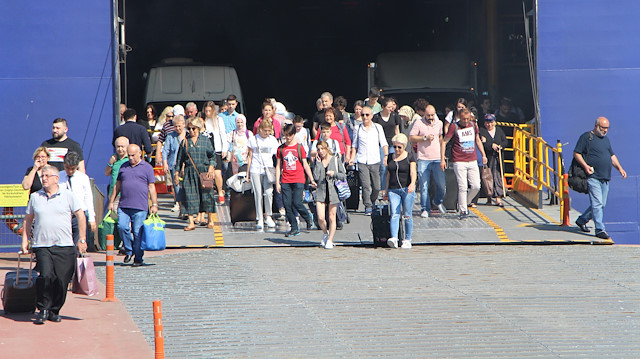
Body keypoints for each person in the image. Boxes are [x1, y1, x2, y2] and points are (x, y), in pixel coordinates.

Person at [21, 165, 87, 324]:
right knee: (46, 276)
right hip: (42, 245)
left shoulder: (68, 195)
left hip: (64, 245)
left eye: (47, 176)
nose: (43, 178)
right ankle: (43, 309)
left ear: (56, 179)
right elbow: (28, 219)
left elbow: (80, 215)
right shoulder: (36, 197)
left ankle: (54, 310)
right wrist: (25, 240)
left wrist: (82, 239)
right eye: (42, 176)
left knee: (61, 280)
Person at [573, 117, 626, 241]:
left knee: (601, 204)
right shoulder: (586, 137)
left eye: (607, 128)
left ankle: (582, 220)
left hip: (605, 178)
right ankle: (599, 229)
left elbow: (612, 156)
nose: (605, 130)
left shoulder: (606, 140)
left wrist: (620, 168)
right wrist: (586, 167)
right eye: (603, 128)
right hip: (593, 176)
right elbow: (576, 153)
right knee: (597, 204)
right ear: (596, 126)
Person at [108, 144, 158, 266]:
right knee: (122, 226)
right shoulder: (124, 166)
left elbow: (151, 187)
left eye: (133, 155)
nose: (130, 158)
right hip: (124, 204)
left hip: (140, 206)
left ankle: (138, 258)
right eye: (129, 155)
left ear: (139, 153)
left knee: (137, 232)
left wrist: (155, 204)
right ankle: (129, 250)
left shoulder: (147, 168)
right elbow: (117, 185)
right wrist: (111, 201)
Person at [440, 108, 487, 219]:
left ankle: (464, 202)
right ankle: (463, 210)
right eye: (463, 119)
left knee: (476, 185)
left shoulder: (473, 125)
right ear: (459, 118)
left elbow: (477, 140)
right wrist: (442, 158)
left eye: (467, 119)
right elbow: (444, 141)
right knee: (463, 186)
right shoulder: (454, 127)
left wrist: (483, 155)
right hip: (459, 160)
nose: (466, 121)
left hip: (472, 159)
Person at [174, 117, 216, 231]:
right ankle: (191, 222)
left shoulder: (205, 140)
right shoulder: (185, 142)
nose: (191, 131)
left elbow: (212, 156)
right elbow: (179, 160)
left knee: (207, 196)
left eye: (194, 129)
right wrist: (176, 174)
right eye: (189, 129)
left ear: (198, 128)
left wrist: (211, 168)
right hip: (189, 172)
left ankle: (210, 219)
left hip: (203, 172)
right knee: (189, 196)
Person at [276, 124, 318, 237]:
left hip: (298, 178)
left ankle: (308, 216)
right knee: (287, 204)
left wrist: (311, 179)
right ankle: (294, 227)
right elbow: (278, 166)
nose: (288, 138)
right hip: (285, 179)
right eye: (286, 136)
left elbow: (305, 164)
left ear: (294, 134)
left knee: (297, 202)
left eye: (290, 135)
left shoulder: (299, 147)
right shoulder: (281, 149)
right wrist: (277, 182)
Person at [349, 106, 389, 215]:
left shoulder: (377, 127)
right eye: (362, 115)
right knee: (366, 185)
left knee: (376, 187)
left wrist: (386, 155)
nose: (365, 117)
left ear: (371, 116)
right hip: (362, 160)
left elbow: (384, 143)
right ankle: (368, 206)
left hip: (375, 160)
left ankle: (372, 201)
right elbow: (354, 145)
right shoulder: (358, 128)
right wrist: (352, 158)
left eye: (367, 115)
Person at [409, 104, 447, 218]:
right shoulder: (418, 123)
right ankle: (425, 208)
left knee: (442, 185)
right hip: (423, 159)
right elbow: (411, 137)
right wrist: (424, 138)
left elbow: (441, 138)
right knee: (424, 186)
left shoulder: (439, 123)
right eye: (428, 115)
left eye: (432, 115)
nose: (430, 117)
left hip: (436, 158)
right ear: (424, 114)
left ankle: (437, 201)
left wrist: (442, 156)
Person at [381, 134, 417, 249]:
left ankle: (407, 238)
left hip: (406, 188)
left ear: (404, 147)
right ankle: (394, 238)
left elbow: (413, 172)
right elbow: (387, 174)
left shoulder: (410, 157)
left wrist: (412, 183)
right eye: (395, 147)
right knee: (395, 214)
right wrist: (385, 190)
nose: (397, 149)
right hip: (393, 189)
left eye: (399, 147)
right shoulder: (391, 157)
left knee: (407, 214)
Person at [246, 120, 279, 230]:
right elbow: (249, 156)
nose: (267, 133)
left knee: (269, 192)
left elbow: (276, 156)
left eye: (269, 131)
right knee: (258, 194)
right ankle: (259, 217)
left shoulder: (273, 140)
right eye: (265, 130)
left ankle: (268, 215)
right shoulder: (253, 139)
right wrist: (248, 173)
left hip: (268, 168)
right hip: (255, 168)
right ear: (260, 129)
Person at [312, 140, 345, 248]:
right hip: (321, 192)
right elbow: (316, 177)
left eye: (322, 149)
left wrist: (333, 173)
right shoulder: (318, 161)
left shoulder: (335, 159)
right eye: (318, 149)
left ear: (327, 149)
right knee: (321, 218)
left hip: (333, 192)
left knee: (332, 217)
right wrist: (317, 163)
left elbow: (343, 175)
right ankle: (325, 233)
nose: (320, 151)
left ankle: (330, 240)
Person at [60, 151, 97, 246]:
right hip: (62, 215)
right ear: (64, 164)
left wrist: (91, 218)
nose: (70, 171)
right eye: (67, 168)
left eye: (73, 168)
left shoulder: (83, 178)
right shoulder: (58, 177)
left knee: (78, 244)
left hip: (78, 216)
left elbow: (88, 197)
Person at [479, 114, 507, 206]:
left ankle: (498, 198)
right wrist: (491, 145)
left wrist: (500, 146)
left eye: (491, 122)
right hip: (488, 158)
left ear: (494, 122)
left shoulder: (499, 130)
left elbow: (505, 141)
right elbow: (483, 143)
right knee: (488, 177)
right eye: (487, 122)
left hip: (498, 157)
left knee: (497, 176)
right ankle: (489, 197)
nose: (489, 125)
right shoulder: (482, 131)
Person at [373, 97, 401, 189]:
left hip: (393, 144)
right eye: (388, 107)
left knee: (393, 165)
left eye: (392, 107)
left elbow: (397, 130)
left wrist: (399, 142)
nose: (391, 109)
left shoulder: (394, 116)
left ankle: (392, 186)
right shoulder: (376, 117)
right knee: (383, 167)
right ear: (383, 107)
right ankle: (383, 188)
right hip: (381, 145)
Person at [203, 101, 227, 204]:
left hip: (217, 149)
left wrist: (224, 148)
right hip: (206, 149)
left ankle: (220, 191)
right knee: (208, 173)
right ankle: (209, 194)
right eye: (206, 111)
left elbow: (223, 134)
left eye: (209, 111)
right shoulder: (203, 120)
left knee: (217, 173)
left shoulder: (218, 119)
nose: (208, 113)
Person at [162, 115, 186, 212]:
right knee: (176, 186)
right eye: (176, 126)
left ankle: (186, 205)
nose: (178, 128)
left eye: (179, 126)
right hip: (174, 164)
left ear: (184, 124)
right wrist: (165, 163)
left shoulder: (188, 135)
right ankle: (179, 205)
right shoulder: (170, 136)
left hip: (186, 165)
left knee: (186, 186)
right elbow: (165, 150)